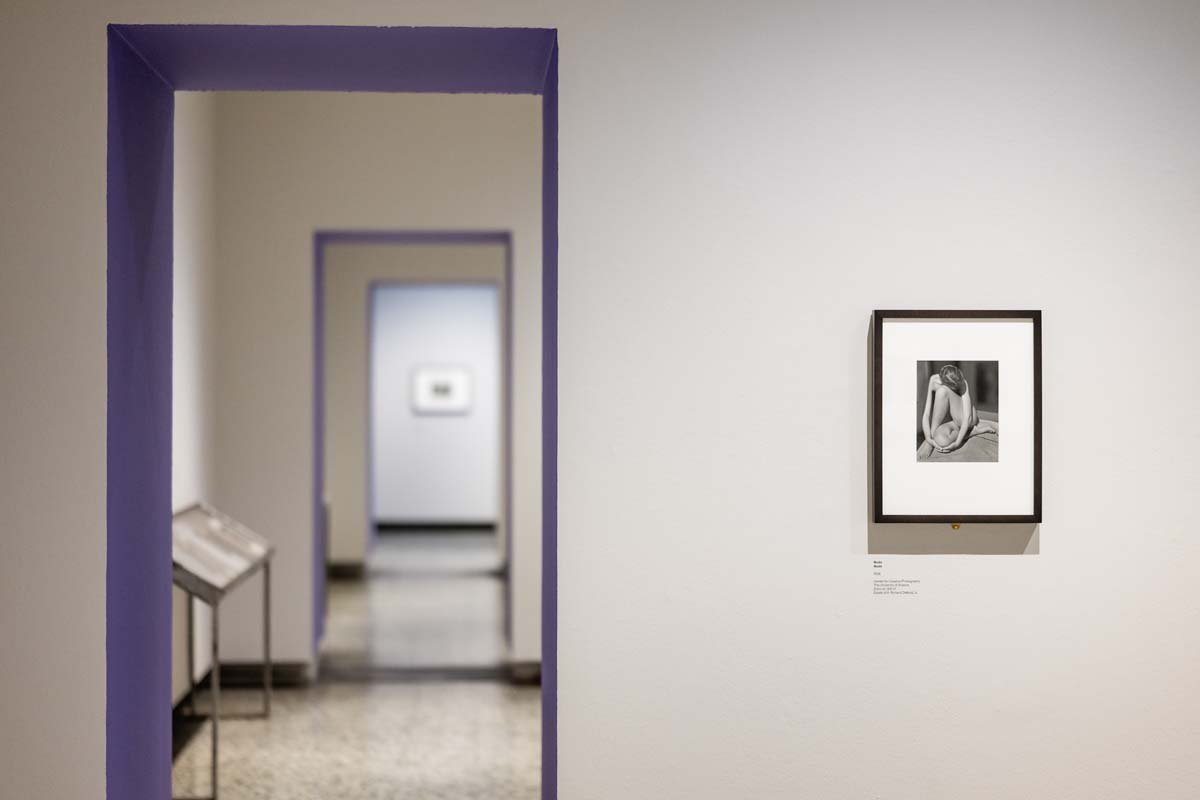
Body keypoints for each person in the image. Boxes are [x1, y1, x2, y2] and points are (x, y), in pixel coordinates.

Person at [918, 364, 997, 459]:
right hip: (953, 420)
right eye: (953, 386)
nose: (956, 387)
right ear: (942, 381)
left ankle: (972, 431)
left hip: (967, 417)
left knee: (942, 391)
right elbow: (926, 414)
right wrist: (928, 439)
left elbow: (967, 418)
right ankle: (933, 436)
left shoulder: (962, 382)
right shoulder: (934, 380)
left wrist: (956, 443)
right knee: (942, 440)